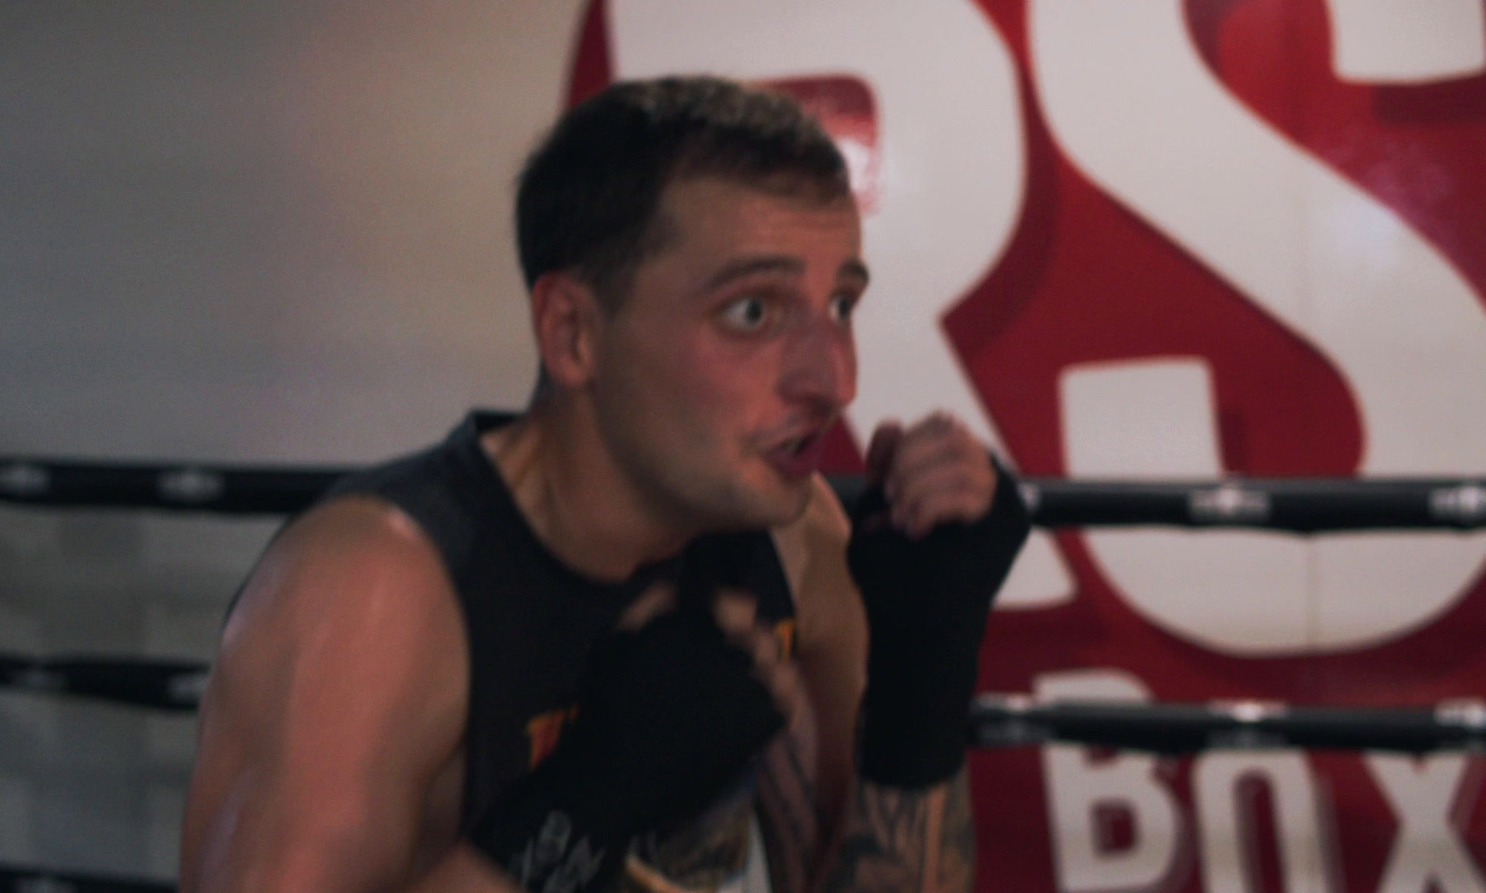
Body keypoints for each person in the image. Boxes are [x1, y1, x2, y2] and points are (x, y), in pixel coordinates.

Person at [179, 76, 1029, 893]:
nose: (833, 379)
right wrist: (581, 808)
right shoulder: (381, 590)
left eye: (840, 305)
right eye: (753, 312)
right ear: (572, 332)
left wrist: (926, 678)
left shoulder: (793, 538)